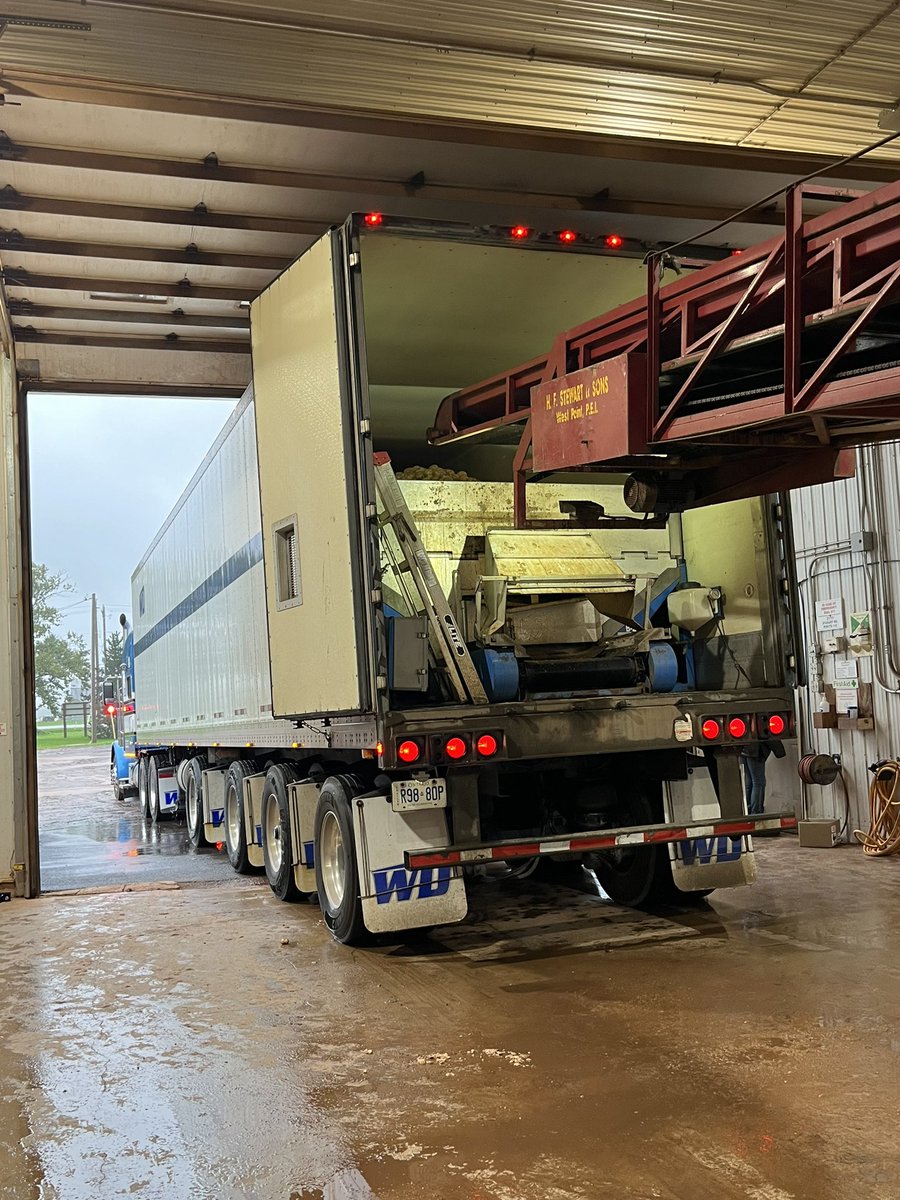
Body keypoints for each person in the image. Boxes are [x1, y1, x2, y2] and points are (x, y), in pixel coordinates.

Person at [741, 738, 786, 815]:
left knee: (749, 782)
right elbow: (767, 734)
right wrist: (780, 751)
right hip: (756, 751)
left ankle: (747, 810)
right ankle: (756, 812)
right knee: (758, 783)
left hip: (743, 749)